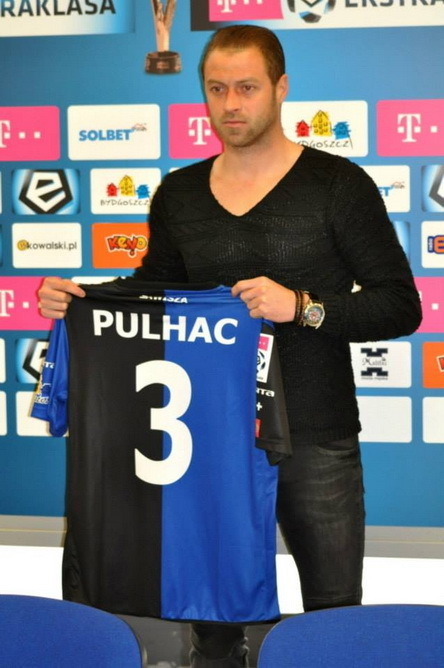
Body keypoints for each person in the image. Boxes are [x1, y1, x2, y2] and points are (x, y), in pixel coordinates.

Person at [38, 25, 422, 668]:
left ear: (281, 88)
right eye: (216, 89)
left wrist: (301, 306)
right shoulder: (180, 192)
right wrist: (79, 299)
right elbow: (154, 293)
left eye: (246, 87)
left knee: (333, 614)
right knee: (213, 625)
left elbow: (400, 305)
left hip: (316, 436)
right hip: (210, 440)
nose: (231, 104)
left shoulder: (338, 184)